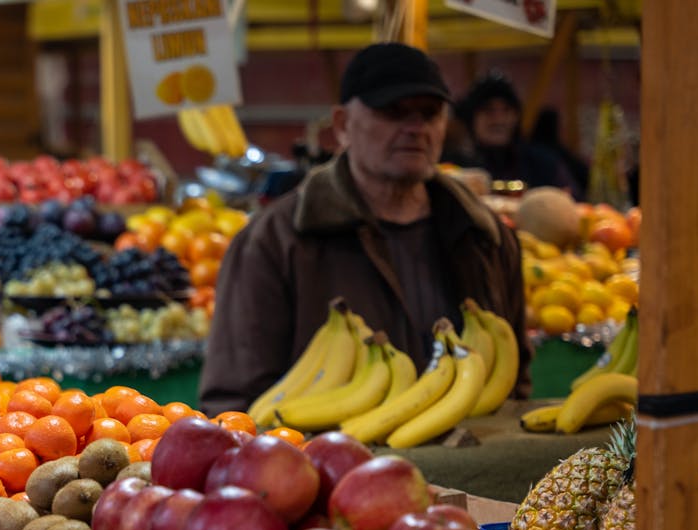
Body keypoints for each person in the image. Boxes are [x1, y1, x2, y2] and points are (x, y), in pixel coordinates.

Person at [199, 43, 528, 416]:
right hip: (326, 468)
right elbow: (233, 403)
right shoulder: (276, 241)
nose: (415, 128)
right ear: (342, 125)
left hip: (476, 466)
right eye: (393, 112)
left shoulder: (486, 236)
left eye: (429, 112)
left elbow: (516, 379)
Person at [452, 72, 575, 194]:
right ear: (471, 118)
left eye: (506, 110)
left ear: (516, 116)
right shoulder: (454, 168)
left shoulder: (543, 164)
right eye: (488, 110)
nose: (498, 120)